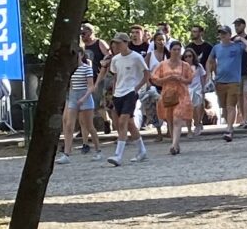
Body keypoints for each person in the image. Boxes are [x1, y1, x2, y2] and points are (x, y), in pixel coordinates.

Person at [103, 33, 149, 165]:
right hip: (118, 94)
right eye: (114, 43)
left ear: (126, 42)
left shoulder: (136, 57)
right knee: (129, 124)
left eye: (119, 43)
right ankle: (142, 150)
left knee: (122, 122)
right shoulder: (116, 59)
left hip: (130, 92)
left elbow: (146, 73)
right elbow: (116, 76)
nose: (116, 45)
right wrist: (114, 91)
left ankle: (118, 155)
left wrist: (137, 87)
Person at [154, 42, 195, 156]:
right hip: (168, 94)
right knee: (170, 120)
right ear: (170, 50)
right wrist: (167, 78)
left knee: (177, 119)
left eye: (178, 49)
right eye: (174, 49)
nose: (177, 52)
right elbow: (155, 78)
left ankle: (173, 145)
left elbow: (190, 79)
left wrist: (181, 79)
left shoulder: (185, 65)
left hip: (182, 94)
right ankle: (176, 144)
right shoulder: (163, 65)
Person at [211, 22, 247, 140]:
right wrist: (210, 74)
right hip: (220, 81)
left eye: (224, 33)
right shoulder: (216, 48)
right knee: (224, 107)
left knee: (231, 106)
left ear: (229, 34)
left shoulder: (237, 46)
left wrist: (241, 39)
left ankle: (228, 129)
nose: (222, 35)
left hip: (234, 81)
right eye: (221, 33)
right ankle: (230, 127)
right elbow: (210, 61)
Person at [59, 45, 97, 160]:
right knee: (68, 123)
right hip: (72, 97)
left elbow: (91, 86)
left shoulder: (86, 68)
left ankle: (96, 148)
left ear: (81, 54)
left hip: (84, 98)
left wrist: (84, 98)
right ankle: (67, 152)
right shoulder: (69, 70)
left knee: (88, 124)